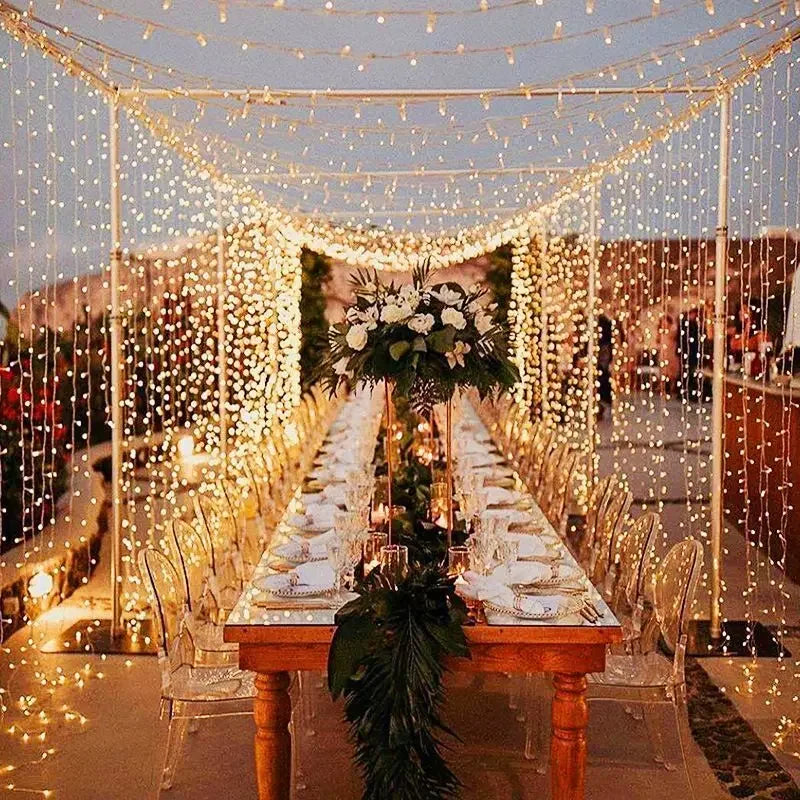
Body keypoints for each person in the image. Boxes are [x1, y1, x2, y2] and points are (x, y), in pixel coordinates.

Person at [677, 307, 701, 400]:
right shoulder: (686, 325)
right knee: (685, 372)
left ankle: (687, 392)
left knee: (689, 372)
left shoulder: (692, 324)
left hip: (691, 353)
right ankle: (684, 392)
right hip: (687, 352)